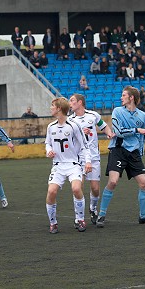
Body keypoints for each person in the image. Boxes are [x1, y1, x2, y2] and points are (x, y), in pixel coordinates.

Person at [96, 86, 145, 227]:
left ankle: (143, 216)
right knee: (113, 182)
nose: (121, 97)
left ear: (131, 98)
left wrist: (140, 152)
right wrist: (136, 130)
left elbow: (142, 138)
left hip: (134, 153)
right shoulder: (117, 111)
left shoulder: (142, 115)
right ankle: (101, 216)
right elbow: (118, 132)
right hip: (118, 150)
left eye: (123, 95)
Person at [45, 97, 90, 234]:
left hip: (73, 164)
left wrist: (87, 161)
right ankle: (53, 223)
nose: (51, 108)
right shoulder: (50, 126)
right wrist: (49, 151)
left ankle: (80, 219)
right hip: (58, 165)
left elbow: (84, 145)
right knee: (51, 191)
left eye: (53, 106)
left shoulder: (73, 125)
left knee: (76, 189)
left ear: (59, 108)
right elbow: (47, 143)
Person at [69, 94, 114, 224]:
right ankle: (79, 217)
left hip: (93, 157)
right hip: (77, 158)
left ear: (80, 102)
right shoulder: (70, 120)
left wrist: (109, 133)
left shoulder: (93, 115)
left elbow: (104, 126)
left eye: (72, 101)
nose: (70, 103)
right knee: (78, 187)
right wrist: (80, 132)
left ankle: (93, 209)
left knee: (95, 188)